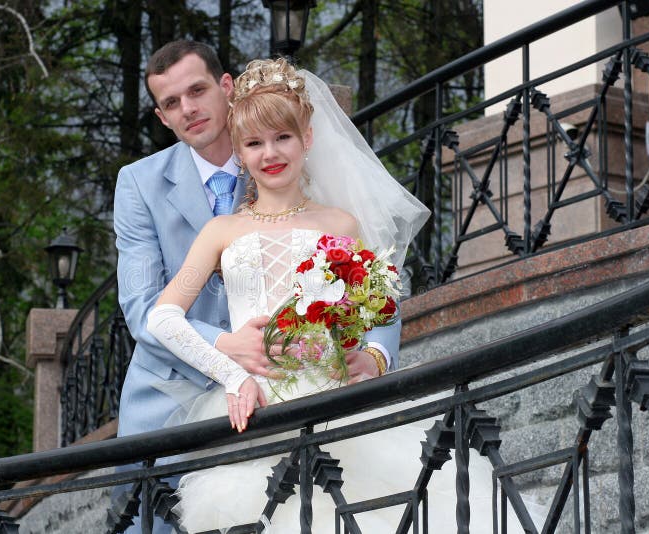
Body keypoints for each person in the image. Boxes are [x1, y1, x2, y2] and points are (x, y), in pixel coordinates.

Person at [144, 59, 543, 533]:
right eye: (254, 143)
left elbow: (378, 301)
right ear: (241, 151)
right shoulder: (222, 231)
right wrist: (231, 375)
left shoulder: (340, 225)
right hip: (260, 406)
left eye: (283, 138)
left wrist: (371, 356)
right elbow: (163, 318)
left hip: (339, 401)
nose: (270, 153)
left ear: (306, 139)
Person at [113, 42, 401, 532]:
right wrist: (227, 351)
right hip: (175, 392)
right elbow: (146, 309)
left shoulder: (320, 194)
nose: (188, 109)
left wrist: (373, 355)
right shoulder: (139, 185)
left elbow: (378, 286)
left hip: (314, 389)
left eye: (198, 90)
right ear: (161, 116)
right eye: (171, 103)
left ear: (226, 89)